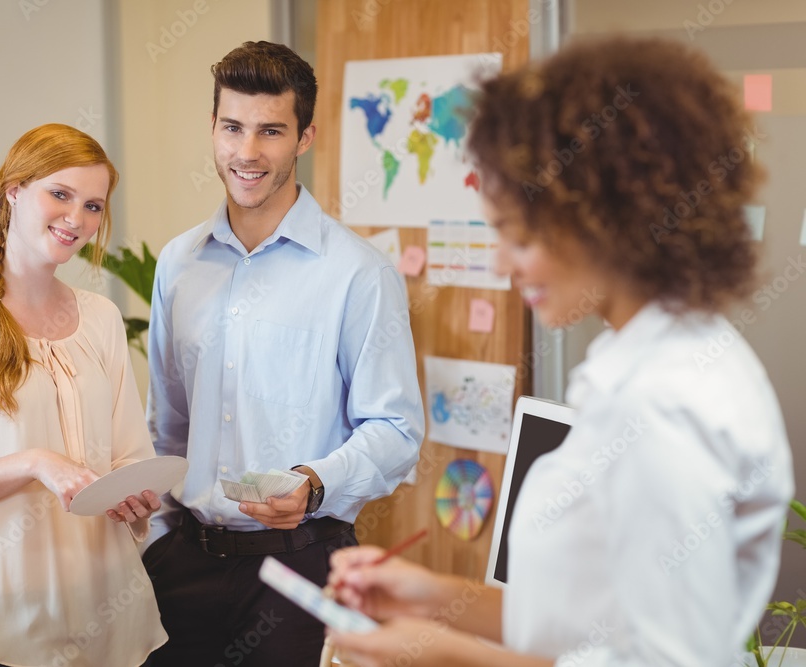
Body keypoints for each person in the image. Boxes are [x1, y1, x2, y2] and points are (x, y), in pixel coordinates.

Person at [326, 36, 795, 667]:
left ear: (605, 217)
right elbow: (592, 620)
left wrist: (437, 657)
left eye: (517, 236)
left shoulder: (664, 402)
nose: (502, 263)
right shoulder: (647, 357)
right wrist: (436, 597)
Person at [142, 41, 425, 666]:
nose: (247, 153)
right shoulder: (178, 264)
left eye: (271, 131)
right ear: (212, 129)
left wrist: (315, 483)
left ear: (305, 137)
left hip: (300, 567)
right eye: (232, 128)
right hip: (182, 565)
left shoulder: (359, 275)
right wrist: (157, 543)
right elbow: (167, 423)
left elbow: (397, 429)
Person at [0, 123, 167, 667]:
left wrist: (134, 495)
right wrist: (35, 463)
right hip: (5, 625)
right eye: (61, 194)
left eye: (93, 205)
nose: (78, 219)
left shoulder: (102, 318)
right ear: (14, 190)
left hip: (111, 618)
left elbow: (128, 457)